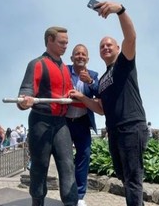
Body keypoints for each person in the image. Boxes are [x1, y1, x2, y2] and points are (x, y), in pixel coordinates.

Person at [69, 1, 149, 206]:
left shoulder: (124, 63)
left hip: (131, 126)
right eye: (102, 46)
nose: (105, 48)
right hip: (114, 130)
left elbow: (131, 37)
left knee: (133, 179)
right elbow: (101, 109)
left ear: (118, 48)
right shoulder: (103, 78)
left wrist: (120, 11)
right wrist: (82, 98)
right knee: (124, 177)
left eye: (109, 45)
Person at [17, 26, 78, 206]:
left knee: (68, 166)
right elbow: (26, 91)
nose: (65, 46)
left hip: (61, 124)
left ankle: (71, 203)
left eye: (67, 43)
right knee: (39, 166)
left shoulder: (65, 69)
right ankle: (37, 202)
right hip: (40, 122)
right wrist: (24, 101)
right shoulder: (37, 64)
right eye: (61, 42)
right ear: (49, 40)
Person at [65, 44, 99, 206]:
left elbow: (100, 92)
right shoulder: (64, 71)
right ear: (72, 58)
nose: (80, 56)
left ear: (87, 59)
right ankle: (66, 195)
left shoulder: (93, 74)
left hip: (83, 123)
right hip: (64, 123)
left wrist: (91, 82)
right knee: (64, 159)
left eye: (83, 54)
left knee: (83, 157)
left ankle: (79, 196)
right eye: (77, 54)